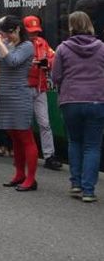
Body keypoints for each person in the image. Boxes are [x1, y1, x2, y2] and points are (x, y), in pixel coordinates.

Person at [52, 11, 104, 202]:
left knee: (75, 142)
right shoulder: (101, 47)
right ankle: (89, 191)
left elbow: (55, 77)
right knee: (92, 146)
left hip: (70, 101)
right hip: (97, 101)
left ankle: (76, 184)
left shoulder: (62, 48)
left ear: (71, 26)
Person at [0, 15, 37, 192]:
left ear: (17, 29)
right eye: (3, 34)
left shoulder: (27, 46)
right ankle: (19, 174)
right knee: (14, 137)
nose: (6, 36)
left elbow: (12, 62)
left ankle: (31, 179)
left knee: (25, 137)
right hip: (4, 95)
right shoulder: (5, 43)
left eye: (9, 33)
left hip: (20, 96)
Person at [23, 15, 62, 171]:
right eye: (31, 31)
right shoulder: (20, 44)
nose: (34, 34)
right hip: (24, 89)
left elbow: (53, 58)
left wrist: (47, 64)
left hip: (40, 88)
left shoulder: (42, 43)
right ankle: (26, 153)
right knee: (25, 124)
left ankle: (49, 156)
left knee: (44, 123)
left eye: (36, 31)